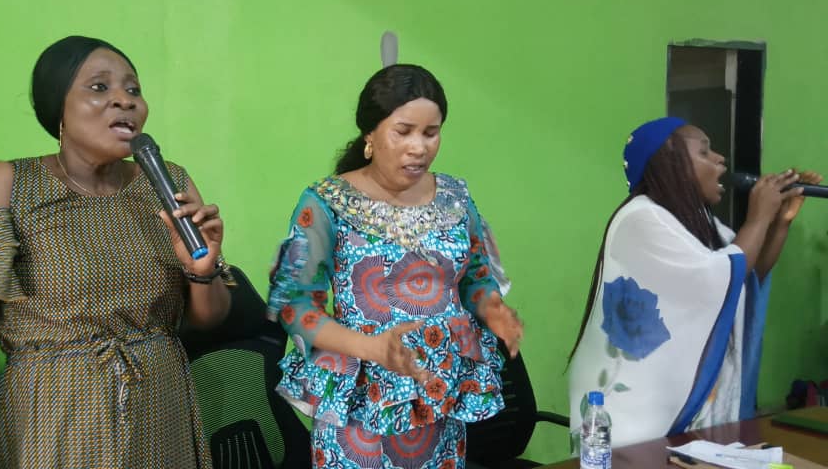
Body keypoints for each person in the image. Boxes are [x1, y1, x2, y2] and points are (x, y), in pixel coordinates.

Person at [0, 35, 231, 468]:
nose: (124, 100)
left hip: (160, 418)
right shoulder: (4, 187)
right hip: (52, 423)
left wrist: (201, 270)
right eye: (99, 87)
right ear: (59, 108)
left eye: (133, 89)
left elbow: (209, 318)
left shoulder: (170, 182)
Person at [267, 64, 525, 469]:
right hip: (361, 403)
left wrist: (494, 309)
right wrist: (371, 348)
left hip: (438, 393)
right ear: (370, 134)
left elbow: (476, 278)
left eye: (431, 132)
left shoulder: (455, 197)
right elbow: (294, 306)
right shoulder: (326, 202)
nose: (418, 147)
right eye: (403, 132)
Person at [567, 117, 822, 447]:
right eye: (704, 152)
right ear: (670, 162)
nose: (720, 159)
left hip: (675, 413)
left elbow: (746, 275)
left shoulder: (698, 221)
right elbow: (722, 273)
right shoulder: (641, 218)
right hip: (633, 414)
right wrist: (758, 216)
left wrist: (780, 221)